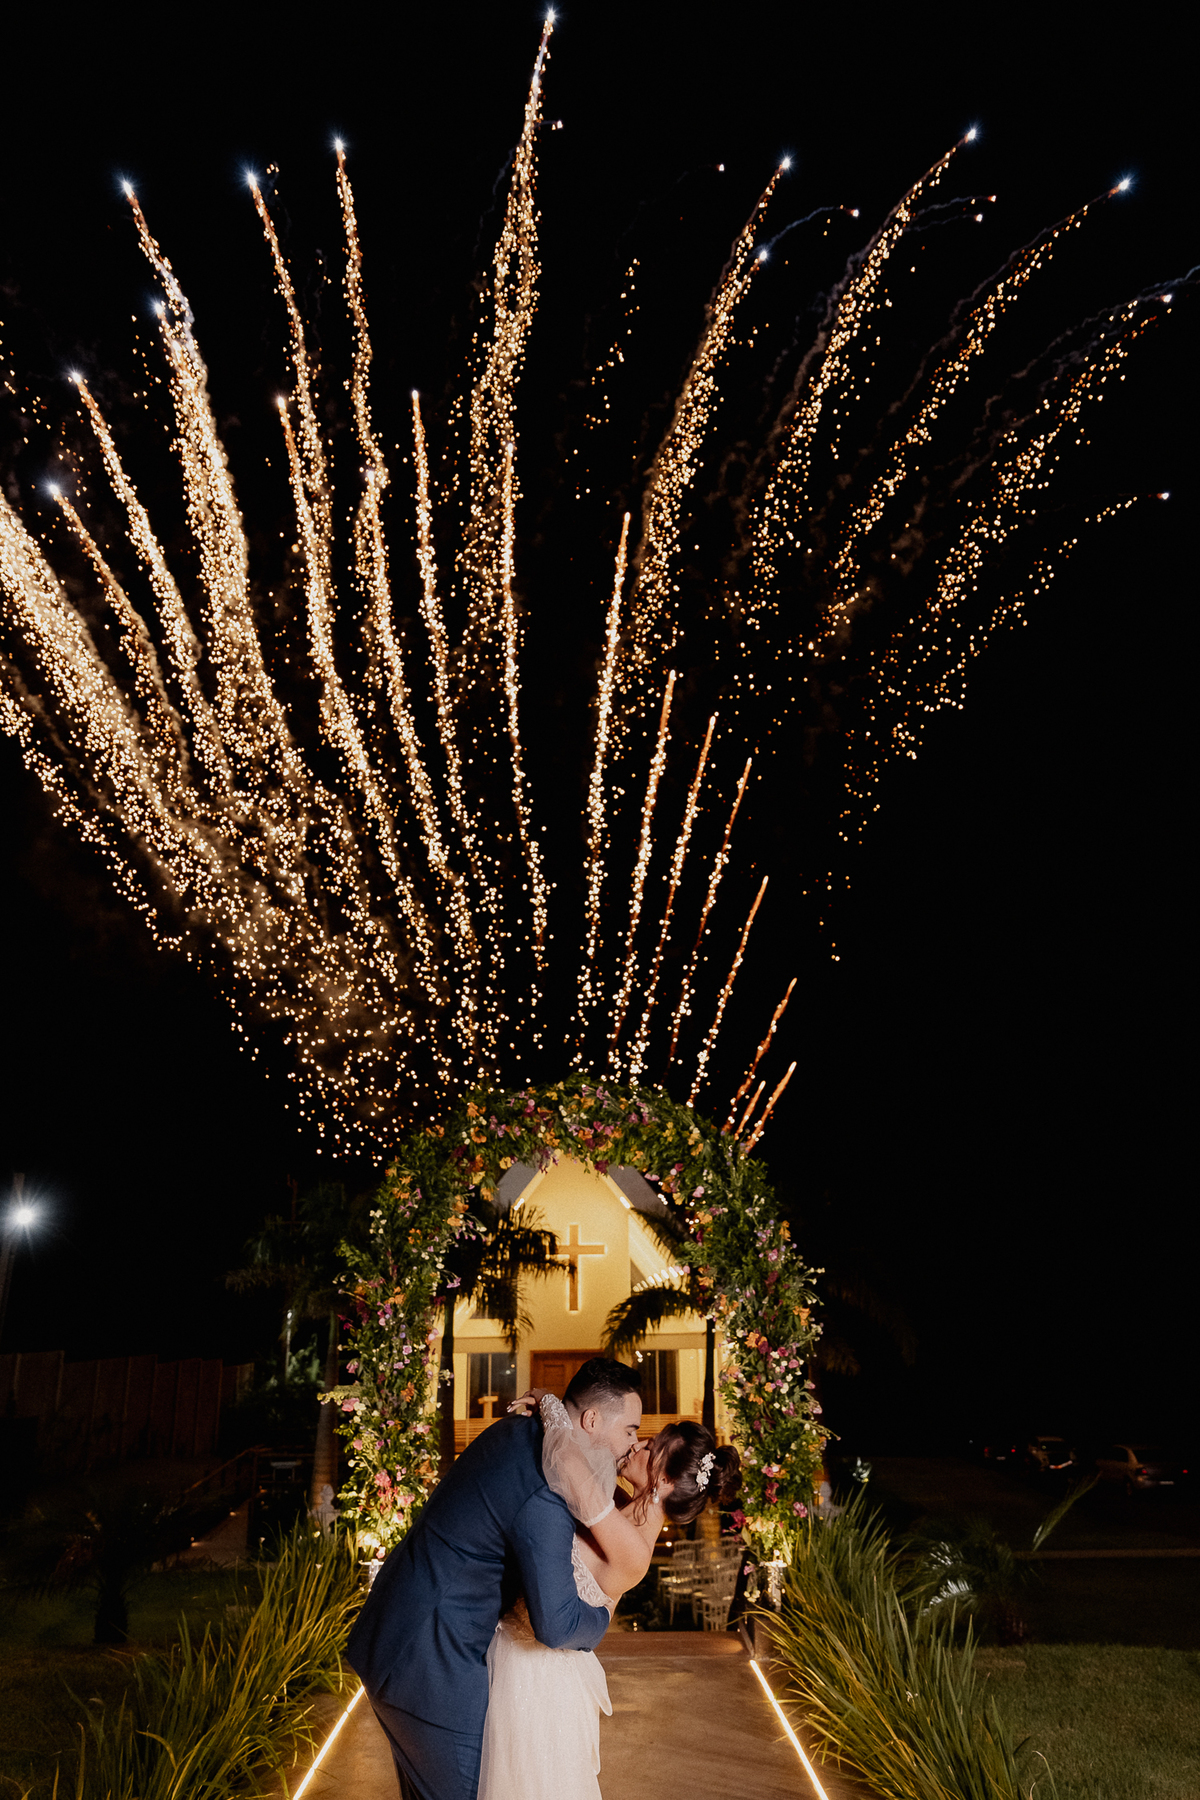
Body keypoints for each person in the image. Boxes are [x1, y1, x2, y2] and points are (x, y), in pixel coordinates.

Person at [344, 1357, 643, 1800]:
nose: (633, 1446)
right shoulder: (548, 1490)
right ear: (593, 1420)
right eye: (630, 1430)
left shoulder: (520, 1430)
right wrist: (602, 1615)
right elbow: (556, 1623)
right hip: (428, 1659)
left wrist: (546, 1399)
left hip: (402, 1632)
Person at [477, 1377, 741, 1800]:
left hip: (538, 1677)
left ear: (664, 1485)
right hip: (507, 1649)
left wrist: (549, 1400)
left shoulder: (633, 1549)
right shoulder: (614, 1503)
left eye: (652, 1448)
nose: (638, 1446)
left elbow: (567, 1461)